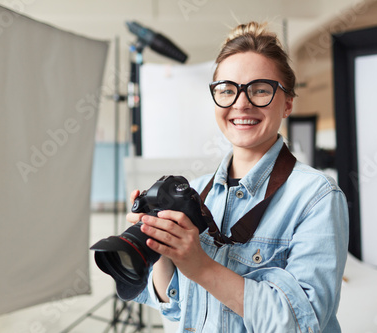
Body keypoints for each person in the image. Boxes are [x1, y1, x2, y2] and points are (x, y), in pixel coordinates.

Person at [127, 21, 349, 332]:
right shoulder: (195, 191)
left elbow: (302, 325)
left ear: (287, 103)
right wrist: (159, 245)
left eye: (260, 90)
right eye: (228, 90)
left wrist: (201, 267)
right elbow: (177, 308)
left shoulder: (316, 197)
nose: (241, 103)